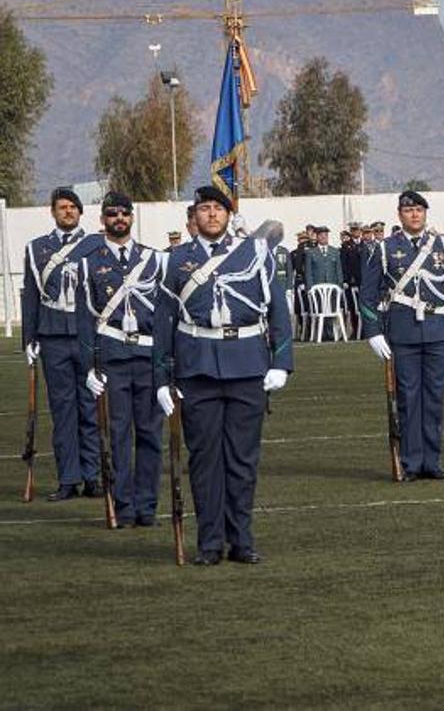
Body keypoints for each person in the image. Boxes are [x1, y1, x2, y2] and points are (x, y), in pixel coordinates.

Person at [152, 186, 292, 565]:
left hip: (247, 365)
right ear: (193, 217)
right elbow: (163, 321)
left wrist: (280, 362)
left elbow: (278, 309)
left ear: (229, 215)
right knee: (204, 459)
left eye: (218, 208)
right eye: (204, 209)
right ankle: (210, 543)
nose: (212, 214)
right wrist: (162, 379)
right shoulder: (175, 260)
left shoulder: (255, 253)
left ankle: (241, 539)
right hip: (196, 367)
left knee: (242, 460)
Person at [361, 191, 444, 480]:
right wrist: (373, 332)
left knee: (434, 399)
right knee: (408, 400)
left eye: (419, 210)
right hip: (402, 333)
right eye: (409, 210)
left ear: (425, 213)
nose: (414, 215)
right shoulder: (384, 249)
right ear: (399, 215)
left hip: (437, 332)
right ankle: (410, 462)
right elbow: (367, 295)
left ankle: (432, 462)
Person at [77, 192, 165, 527]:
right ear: (103, 220)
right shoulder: (89, 262)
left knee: (150, 435)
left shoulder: (152, 260)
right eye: (112, 214)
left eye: (124, 213)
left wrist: (165, 362)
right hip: (112, 358)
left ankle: (147, 506)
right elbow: (85, 319)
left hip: (147, 356)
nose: (119, 219)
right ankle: (124, 505)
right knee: (118, 436)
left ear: (131, 217)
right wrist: (89, 367)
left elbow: (163, 315)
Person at [22, 187, 102, 501]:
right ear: (53, 212)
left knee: (91, 408)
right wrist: (29, 337)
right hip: (53, 336)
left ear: (80, 211)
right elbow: (30, 296)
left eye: (72, 207)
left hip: (88, 336)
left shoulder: (96, 245)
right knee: (63, 410)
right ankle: (68, 478)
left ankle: (92, 476)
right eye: (62, 207)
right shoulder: (37, 248)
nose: (67, 211)